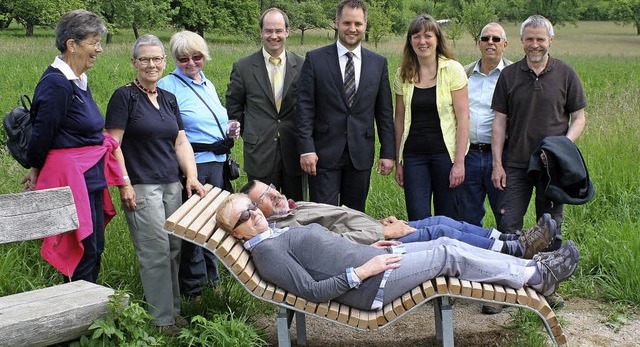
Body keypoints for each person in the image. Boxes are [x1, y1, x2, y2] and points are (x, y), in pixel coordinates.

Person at [215, 193, 579, 311]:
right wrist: (363, 270)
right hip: (371, 286)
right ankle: (536, 276)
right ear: (236, 232)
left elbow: (326, 250)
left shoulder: (273, 233)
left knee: (444, 242)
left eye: (251, 207)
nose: (253, 215)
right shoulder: (268, 255)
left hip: (376, 263)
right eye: (244, 216)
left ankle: (529, 264)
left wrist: (370, 248)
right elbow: (309, 291)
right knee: (448, 254)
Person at [105, 34, 205, 335]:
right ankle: (161, 321)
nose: (152, 64)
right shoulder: (124, 97)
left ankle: (173, 313)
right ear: (134, 63)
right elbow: (113, 144)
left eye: (157, 58)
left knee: (174, 248)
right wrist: (124, 184)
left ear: (164, 62)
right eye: (145, 59)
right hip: (142, 186)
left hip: (172, 184)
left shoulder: (168, 97)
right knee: (155, 252)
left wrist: (191, 175)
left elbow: (180, 141)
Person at [491, 16, 586, 309]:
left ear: (550, 41)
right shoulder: (508, 76)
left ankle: (546, 290)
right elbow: (499, 123)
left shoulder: (566, 74)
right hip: (516, 165)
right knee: (509, 228)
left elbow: (579, 118)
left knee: (551, 229)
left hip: (552, 170)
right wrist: (497, 164)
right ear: (522, 41)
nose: (535, 45)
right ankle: (506, 291)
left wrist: (562, 148)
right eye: (530, 39)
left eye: (540, 40)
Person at [22, 10, 122, 283]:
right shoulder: (57, 84)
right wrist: (35, 167)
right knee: (85, 250)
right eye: (93, 42)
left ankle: (90, 314)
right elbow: (42, 135)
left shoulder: (78, 80)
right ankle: (80, 316)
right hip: (72, 179)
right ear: (71, 44)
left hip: (89, 176)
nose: (99, 49)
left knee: (95, 247)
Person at [241, 180, 557, 259]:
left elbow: (344, 220)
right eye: (264, 198)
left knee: (444, 219)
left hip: (377, 229)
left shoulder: (293, 207)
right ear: (256, 211)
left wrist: (377, 220)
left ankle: (510, 240)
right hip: (375, 247)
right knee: (442, 230)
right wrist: (384, 231)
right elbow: (332, 244)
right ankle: (516, 251)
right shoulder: (287, 228)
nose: (274, 195)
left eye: (271, 188)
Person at [297, 0, 395, 212]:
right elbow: (304, 108)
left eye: (358, 24)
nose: (352, 29)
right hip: (323, 154)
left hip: (360, 154)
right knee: (323, 216)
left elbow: (384, 112)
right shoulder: (315, 59)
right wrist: (306, 148)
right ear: (337, 23)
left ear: (365, 25)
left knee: (355, 217)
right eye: (347, 23)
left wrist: (388, 152)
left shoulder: (378, 63)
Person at [157, 31, 232, 300]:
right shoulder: (167, 85)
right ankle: (194, 289)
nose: (190, 63)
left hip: (218, 164)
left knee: (215, 225)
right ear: (174, 60)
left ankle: (214, 281)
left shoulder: (206, 83)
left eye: (197, 57)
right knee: (193, 229)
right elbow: (168, 130)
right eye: (183, 59)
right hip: (193, 167)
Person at [393, 14, 469, 221]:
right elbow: (399, 119)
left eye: (428, 35)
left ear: (437, 39)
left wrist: (459, 163)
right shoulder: (402, 74)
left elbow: (463, 119)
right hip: (413, 157)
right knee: (417, 217)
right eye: (416, 36)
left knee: (448, 217)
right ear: (410, 41)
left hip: (445, 155)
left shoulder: (453, 70)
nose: (422, 41)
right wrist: (399, 161)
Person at [226, 8, 305, 201]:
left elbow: (308, 108)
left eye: (278, 30)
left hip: (293, 151)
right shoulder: (243, 67)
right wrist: (251, 132)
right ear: (261, 32)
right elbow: (234, 107)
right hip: (259, 153)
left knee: (295, 209)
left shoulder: (303, 66)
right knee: (260, 211)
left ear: (287, 31)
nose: (274, 36)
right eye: (268, 31)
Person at [458, 23, 511, 228]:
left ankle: (508, 256)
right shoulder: (464, 73)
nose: (490, 43)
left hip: (502, 156)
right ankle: (473, 258)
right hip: (468, 155)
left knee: (506, 215)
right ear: (478, 44)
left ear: (504, 44)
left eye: (496, 39)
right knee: (468, 217)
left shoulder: (513, 75)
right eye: (485, 38)